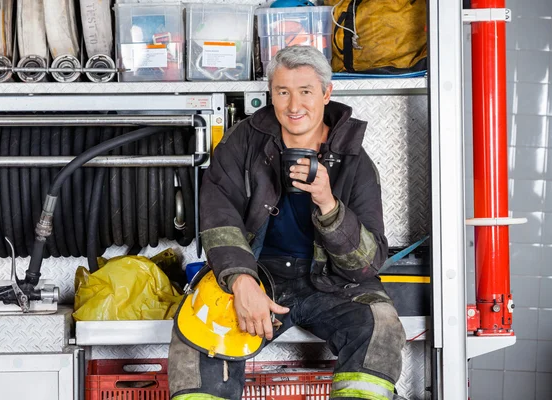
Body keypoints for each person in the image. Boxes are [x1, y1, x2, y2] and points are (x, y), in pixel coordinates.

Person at [168, 45, 406, 400]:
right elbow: (219, 217)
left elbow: (366, 264)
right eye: (283, 92)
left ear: (327, 92)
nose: (294, 106)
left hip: (333, 285)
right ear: (271, 94)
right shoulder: (242, 142)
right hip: (259, 277)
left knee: (381, 327)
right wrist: (242, 281)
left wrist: (328, 203)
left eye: (306, 92)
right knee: (197, 338)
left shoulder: (355, 162)